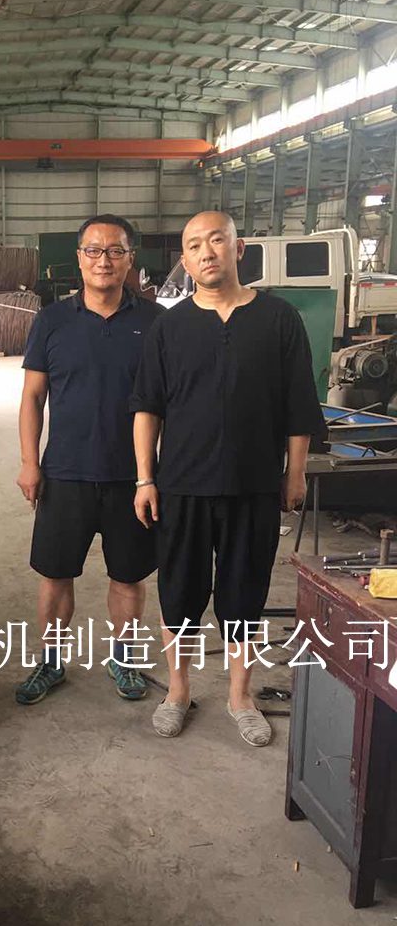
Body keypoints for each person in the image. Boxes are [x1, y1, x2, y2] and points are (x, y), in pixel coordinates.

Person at [131, 210, 325, 745]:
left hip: (254, 485)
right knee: (179, 594)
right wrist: (146, 479)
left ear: (239, 249)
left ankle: (241, 696)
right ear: (185, 259)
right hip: (182, 485)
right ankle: (177, 691)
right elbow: (147, 407)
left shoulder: (279, 319)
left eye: (217, 240)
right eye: (194, 245)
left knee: (244, 595)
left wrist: (295, 474)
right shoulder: (169, 326)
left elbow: (298, 404)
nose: (206, 252)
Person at [15, 214, 161, 705]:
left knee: (128, 576)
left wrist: (154, 476)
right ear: (79, 258)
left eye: (115, 251)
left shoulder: (154, 322)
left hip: (132, 478)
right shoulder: (52, 321)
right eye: (94, 250)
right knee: (55, 575)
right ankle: (51, 661)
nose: (104, 260)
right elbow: (32, 398)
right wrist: (30, 462)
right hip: (65, 473)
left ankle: (123, 659)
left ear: (130, 259)